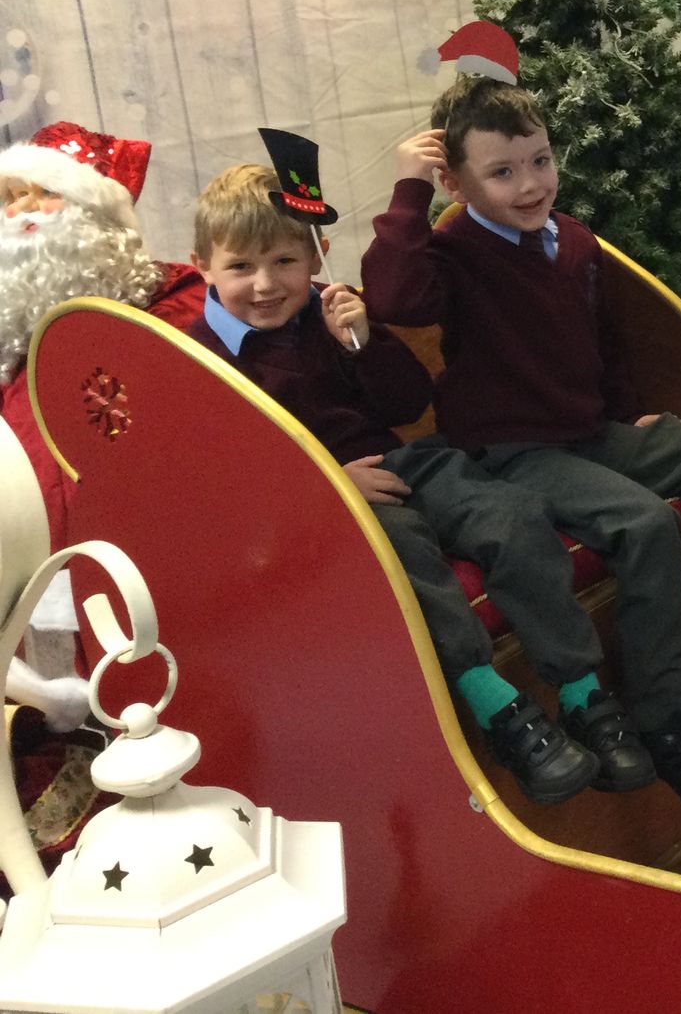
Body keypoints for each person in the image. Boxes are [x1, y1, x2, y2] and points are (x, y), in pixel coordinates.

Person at [363, 76, 681, 815]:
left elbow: (601, 340)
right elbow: (395, 297)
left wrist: (628, 414)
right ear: (455, 182)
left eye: (540, 161)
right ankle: (673, 724)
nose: (530, 185)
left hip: (589, 432)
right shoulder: (455, 251)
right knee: (644, 523)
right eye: (502, 172)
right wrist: (409, 190)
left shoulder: (572, 239)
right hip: (512, 451)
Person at [184, 164, 655, 807]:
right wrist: (324, 483)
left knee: (513, 515)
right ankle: (499, 710)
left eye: (285, 261)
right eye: (241, 267)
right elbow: (223, 473)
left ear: (314, 255)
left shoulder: (329, 309)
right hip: (328, 497)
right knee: (404, 553)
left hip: (407, 460)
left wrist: (363, 343)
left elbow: (407, 402)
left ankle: (581, 693)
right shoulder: (198, 358)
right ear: (203, 267)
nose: (266, 285)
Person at [0, 121, 206, 733]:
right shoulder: (10, 342)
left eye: (46, 193)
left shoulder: (174, 301)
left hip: (149, 539)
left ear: (97, 216)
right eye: (11, 198)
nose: (24, 212)